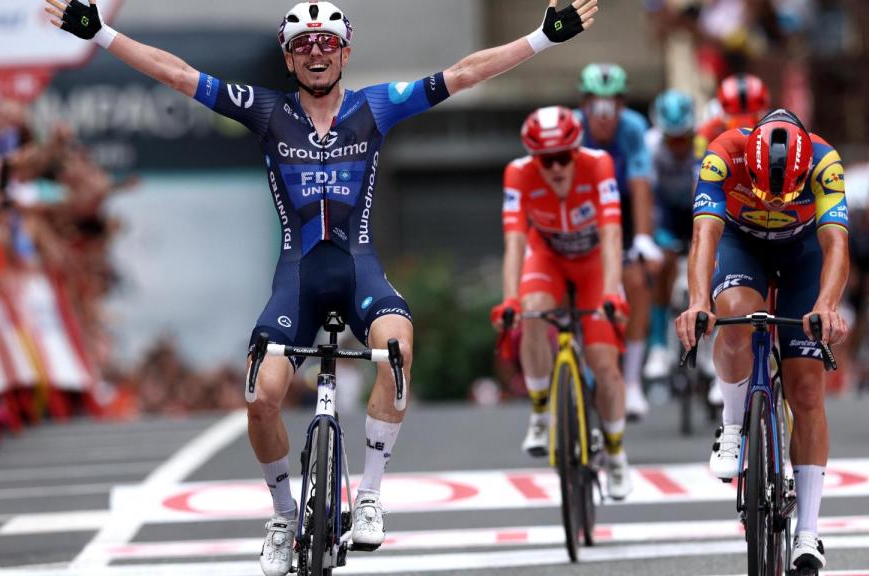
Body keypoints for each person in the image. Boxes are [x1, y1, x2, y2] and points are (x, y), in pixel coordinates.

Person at [43, 1, 599, 574]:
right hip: (299, 281)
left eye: (327, 44)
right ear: (288, 57)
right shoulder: (266, 111)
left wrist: (540, 38)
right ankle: (284, 515)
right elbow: (177, 73)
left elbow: (462, 73)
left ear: (345, 52)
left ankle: (371, 498)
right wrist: (103, 33)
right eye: (304, 45)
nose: (316, 53)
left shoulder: (375, 106)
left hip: (360, 273)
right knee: (259, 400)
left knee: (396, 351)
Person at [677, 108, 849, 572]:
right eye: (765, 191)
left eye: (785, 194)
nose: (774, 202)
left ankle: (808, 534)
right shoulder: (721, 155)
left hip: (803, 251)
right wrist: (698, 302)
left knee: (807, 389)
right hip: (741, 243)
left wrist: (827, 306)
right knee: (733, 315)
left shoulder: (824, 161)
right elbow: (705, 235)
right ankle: (733, 425)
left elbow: (835, 245)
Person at [491, 106, 632, 500]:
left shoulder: (599, 164)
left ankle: (617, 455)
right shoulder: (518, 173)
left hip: (593, 265)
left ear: (576, 150)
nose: (555, 168)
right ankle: (540, 412)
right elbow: (515, 242)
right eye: (545, 160)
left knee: (605, 364)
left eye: (562, 158)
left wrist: (610, 292)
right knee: (531, 312)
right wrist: (509, 300)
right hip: (548, 256)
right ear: (534, 159)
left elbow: (611, 234)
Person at [576, 63, 660, 420]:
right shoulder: (572, 129)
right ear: (585, 106)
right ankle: (576, 365)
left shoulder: (634, 128)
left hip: (623, 209)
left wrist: (641, 238)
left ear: (622, 106)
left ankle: (633, 382)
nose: (605, 116)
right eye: (598, 106)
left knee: (637, 281)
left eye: (612, 107)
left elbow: (641, 185)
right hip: (581, 208)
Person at [642, 89, 698, 381]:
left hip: (696, 209)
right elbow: (646, 199)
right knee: (661, 263)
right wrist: (653, 240)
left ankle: (712, 345)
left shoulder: (703, 145)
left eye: (683, 137)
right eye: (671, 138)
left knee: (709, 267)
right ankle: (658, 346)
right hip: (664, 214)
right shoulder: (649, 146)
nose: (677, 144)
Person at [695, 73, 770, 153]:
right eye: (736, 116)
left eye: (752, 115)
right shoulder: (711, 127)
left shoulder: (711, 125)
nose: (744, 124)